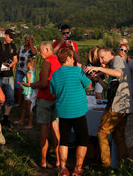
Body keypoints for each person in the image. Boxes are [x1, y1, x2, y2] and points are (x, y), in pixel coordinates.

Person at [84, 47, 131, 169]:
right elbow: (108, 88)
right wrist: (98, 79)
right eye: (99, 58)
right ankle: (123, 165)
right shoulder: (112, 66)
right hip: (122, 105)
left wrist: (99, 68)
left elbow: (120, 74)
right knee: (118, 134)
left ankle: (106, 165)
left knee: (101, 133)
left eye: (102, 56)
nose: (100, 60)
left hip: (117, 105)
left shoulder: (117, 60)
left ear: (110, 53)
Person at [50, 48, 91, 176]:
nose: (74, 60)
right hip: (78, 111)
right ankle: (77, 169)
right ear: (68, 59)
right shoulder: (77, 71)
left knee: (64, 140)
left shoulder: (55, 74)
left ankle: (63, 168)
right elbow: (89, 85)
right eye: (73, 57)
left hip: (63, 112)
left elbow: (53, 94)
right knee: (83, 139)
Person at [31, 41, 61, 169]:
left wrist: (33, 85)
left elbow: (43, 84)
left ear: (48, 49)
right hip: (57, 98)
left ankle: (43, 160)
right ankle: (59, 160)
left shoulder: (46, 62)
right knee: (55, 128)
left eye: (41, 50)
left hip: (45, 98)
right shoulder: (60, 61)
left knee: (44, 129)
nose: (40, 53)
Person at [0, 29, 17, 127]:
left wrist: (12, 64)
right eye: (11, 37)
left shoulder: (13, 46)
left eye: (13, 37)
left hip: (9, 75)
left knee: (10, 97)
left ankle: (6, 118)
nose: (12, 39)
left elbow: (15, 59)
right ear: (5, 35)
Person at [15, 35, 37, 105]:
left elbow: (34, 53)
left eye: (29, 40)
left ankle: (29, 102)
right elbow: (17, 56)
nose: (27, 42)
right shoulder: (21, 48)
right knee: (18, 86)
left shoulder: (33, 48)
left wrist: (31, 44)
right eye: (26, 40)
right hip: (20, 69)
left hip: (29, 71)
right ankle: (19, 102)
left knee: (28, 85)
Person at [16, 56, 36, 128]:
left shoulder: (28, 73)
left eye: (27, 64)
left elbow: (29, 84)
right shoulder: (33, 72)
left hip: (28, 92)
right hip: (28, 92)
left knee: (29, 108)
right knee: (24, 106)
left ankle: (30, 123)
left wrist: (22, 83)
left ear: (29, 64)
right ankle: (22, 120)